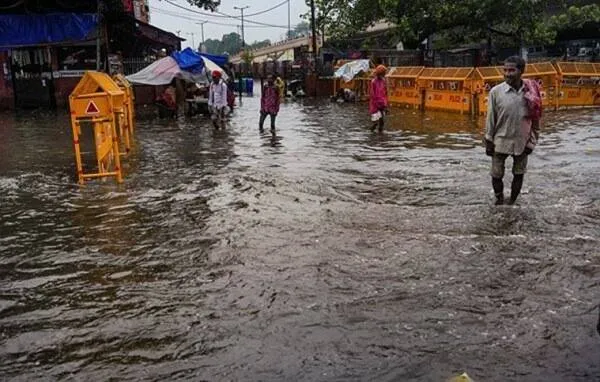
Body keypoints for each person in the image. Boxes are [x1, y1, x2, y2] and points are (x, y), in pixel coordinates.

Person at [485, 55, 541, 205]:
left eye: (512, 70)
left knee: (519, 174)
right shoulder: (496, 92)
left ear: (521, 71)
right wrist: (488, 140)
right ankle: (499, 200)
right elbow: (490, 118)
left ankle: (512, 203)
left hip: (522, 141)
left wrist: (532, 143)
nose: (507, 74)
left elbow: (535, 119)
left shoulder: (532, 92)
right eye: (505, 70)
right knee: (496, 174)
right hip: (500, 140)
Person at [369, 65, 389, 132]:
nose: (383, 75)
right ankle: (372, 133)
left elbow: (385, 93)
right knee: (375, 123)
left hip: (382, 104)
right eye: (383, 74)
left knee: (382, 122)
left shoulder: (383, 81)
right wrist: (376, 103)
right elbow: (372, 94)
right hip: (375, 104)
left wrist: (385, 104)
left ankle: (380, 135)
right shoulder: (373, 82)